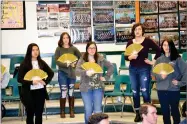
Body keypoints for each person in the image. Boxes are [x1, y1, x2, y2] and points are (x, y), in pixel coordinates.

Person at [125, 23, 161, 122]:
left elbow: (159, 50)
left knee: (145, 92)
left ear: (142, 31)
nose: (137, 31)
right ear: (133, 31)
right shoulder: (130, 42)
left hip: (144, 69)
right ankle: (137, 114)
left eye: (139, 29)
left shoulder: (147, 41)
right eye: (135, 29)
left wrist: (153, 61)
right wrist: (130, 57)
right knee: (135, 92)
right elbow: (125, 56)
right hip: (133, 70)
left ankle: (147, 113)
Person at [76, 42, 113, 124]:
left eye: (94, 48)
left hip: (98, 87)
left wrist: (106, 77)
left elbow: (111, 66)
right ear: (87, 49)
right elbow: (77, 71)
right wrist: (85, 72)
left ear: (96, 49)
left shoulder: (100, 58)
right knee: (88, 110)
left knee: (98, 110)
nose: (92, 50)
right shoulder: (82, 59)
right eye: (90, 48)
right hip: (86, 88)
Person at [17, 43, 54, 124]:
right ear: (29, 51)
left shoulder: (41, 62)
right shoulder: (24, 64)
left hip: (40, 91)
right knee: (30, 114)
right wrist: (31, 82)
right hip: (28, 93)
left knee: (39, 114)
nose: (35, 52)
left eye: (37, 50)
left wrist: (45, 82)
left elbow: (51, 73)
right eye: (33, 50)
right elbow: (19, 79)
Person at [152, 39, 187, 124]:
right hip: (161, 90)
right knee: (165, 113)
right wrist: (161, 76)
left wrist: (180, 83)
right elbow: (153, 75)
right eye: (164, 45)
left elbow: (186, 71)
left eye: (168, 45)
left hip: (173, 90)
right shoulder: (159, 60)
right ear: (162, 46)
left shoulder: (177, 59)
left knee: (175, 111)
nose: (166, 47)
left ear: (171, 46)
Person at [55, 32, 81, 118]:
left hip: (72, 74)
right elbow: (57, 61)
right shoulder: (58, 49)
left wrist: (75, 63)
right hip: (62, 73)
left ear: (69, 39)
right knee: (63, 92)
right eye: (64, 38)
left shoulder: (73, 48)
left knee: (71, 92)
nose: (66, 40)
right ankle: (62, 111)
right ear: (61, 39)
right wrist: (65, 64)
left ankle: (71, 111)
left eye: (67, 38)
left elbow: (80, 57)